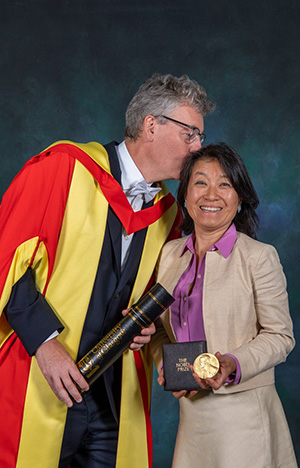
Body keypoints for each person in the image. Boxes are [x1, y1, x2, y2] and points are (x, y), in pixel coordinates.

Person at [0, 73, 215, 468]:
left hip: (113, 399)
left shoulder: (168, 216)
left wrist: (164, 345)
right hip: (40, 378)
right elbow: (7, 264)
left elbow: (165, 302)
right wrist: (46, 343)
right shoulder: (62, 169)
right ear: (152, 125)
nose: (199, 146)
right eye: (191, 134)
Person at [151, 143, 297, 468]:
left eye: (225, 184)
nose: (211, 195)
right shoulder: (168, 256)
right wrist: (168, 367)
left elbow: (281, 337)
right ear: (186, 195)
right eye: (200, 182)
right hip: (191, 418)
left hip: (245, 418)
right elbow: (158, 332)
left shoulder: (259, 257)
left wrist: (231, 363)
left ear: (240, 197)